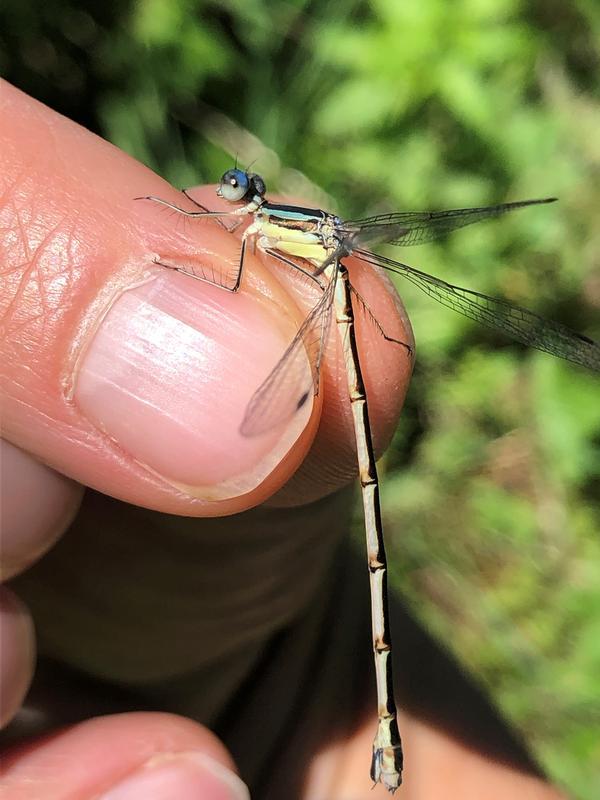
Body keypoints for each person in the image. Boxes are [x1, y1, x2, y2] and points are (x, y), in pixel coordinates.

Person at [0, 79, 566, 799]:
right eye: (235, 189)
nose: (237, 196)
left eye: (242, 190)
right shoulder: (257, 223)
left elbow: (245, 267)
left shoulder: (272, 232)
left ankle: (351, 723)